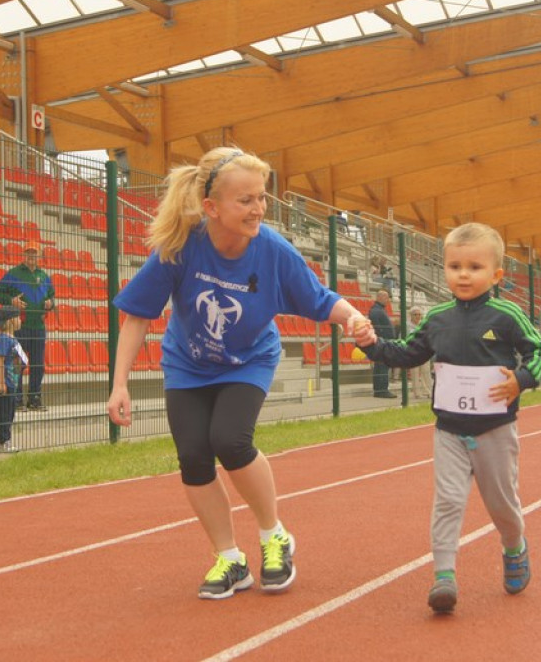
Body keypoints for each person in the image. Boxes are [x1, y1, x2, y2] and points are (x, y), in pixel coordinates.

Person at [106, 147, 368, 600]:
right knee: (193, 456)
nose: (257, 209)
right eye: (244, 200)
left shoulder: (272, 249)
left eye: (261, 198)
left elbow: (319, 297)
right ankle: (229, 558)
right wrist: (119, 384)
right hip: (188, 363)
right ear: (212, 208)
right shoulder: (182, 247)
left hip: (249, 359)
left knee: (230, 440)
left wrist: (352, 318)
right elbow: (136, 315)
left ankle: (274, 536)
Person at [356, 222, 541, 614]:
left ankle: (514, 545)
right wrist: (373, 346)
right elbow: (407, 352)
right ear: (444, 268)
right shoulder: (437, 318)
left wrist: (522, 380)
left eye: (475, 267)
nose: (463, 274)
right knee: (447, 501)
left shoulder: (507, 314)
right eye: (455, 266)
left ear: (496, 275)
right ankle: (443, 575)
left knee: (501, 504)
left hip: (495, 428)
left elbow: (540, 349)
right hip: (449, 430)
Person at [0, 242, 55, 411]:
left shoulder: (44, 276)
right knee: (18, 362)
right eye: (28, 253)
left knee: (38, 364)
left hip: (39, 326)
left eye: (34, 254)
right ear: (23, 255)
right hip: (19, 326)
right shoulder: (13, 273)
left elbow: (52, 296)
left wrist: (51, 303)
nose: (31, 257)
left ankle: (35, 398)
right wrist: (11, 301)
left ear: (39, 256)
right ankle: (17, 399)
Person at [0, 305, 25, 454]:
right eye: (18, 317)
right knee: (4, 413)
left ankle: (4, 440)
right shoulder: (5, 339)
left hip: (12, 381)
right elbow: (0, 361)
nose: (20, 320)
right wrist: (1, 382)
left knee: (10, 412)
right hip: (4, 381)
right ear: (11, 320)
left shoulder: (13, 338)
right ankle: (3, 441)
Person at [368, 289, 397, 398]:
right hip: (382, 343)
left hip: (382, 342)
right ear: (379, 297)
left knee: (382, 365)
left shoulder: (378, 310)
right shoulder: (376, 310)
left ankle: (381, 389)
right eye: (386, 297)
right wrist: (383, 339)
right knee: (382, 366)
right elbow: (378, 328)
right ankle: (381, 389)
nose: (388, 300)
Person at [407, 307, 432, 399]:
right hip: (413, 352)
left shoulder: (424, 325)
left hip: (425, 352)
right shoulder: (407, 326)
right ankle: (417, 393)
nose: (417, 316)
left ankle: (429, 391)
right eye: (415, 314)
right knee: (415, 373)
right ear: (411, 316)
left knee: (426, 372)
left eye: (419, 314)